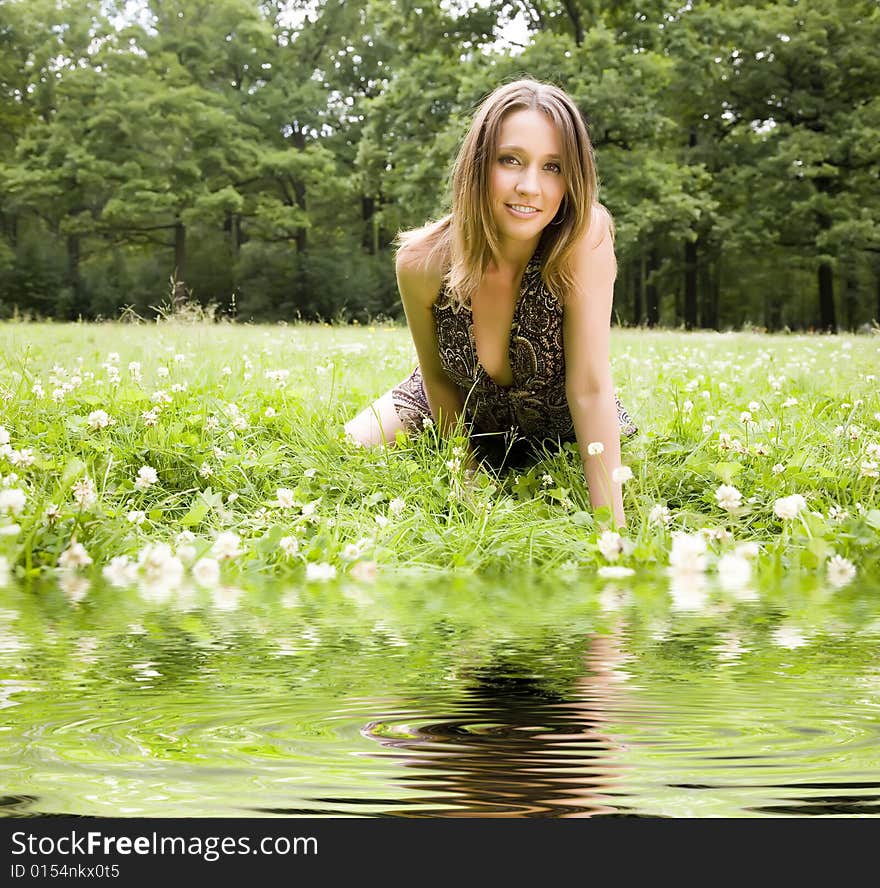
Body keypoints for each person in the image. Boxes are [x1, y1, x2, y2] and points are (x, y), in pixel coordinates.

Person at [345, 79, 637, 527]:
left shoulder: (583, 240)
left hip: (561, 426)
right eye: (510, 160)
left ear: (572, 178)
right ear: (478, 165)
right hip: (469, 411)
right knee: (356, 441)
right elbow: (438, 380)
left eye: (553, 167)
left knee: (561, 479)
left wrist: (611, 530)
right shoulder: (422, 263)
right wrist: (465, 473)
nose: (529, 186)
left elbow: (591, 388)